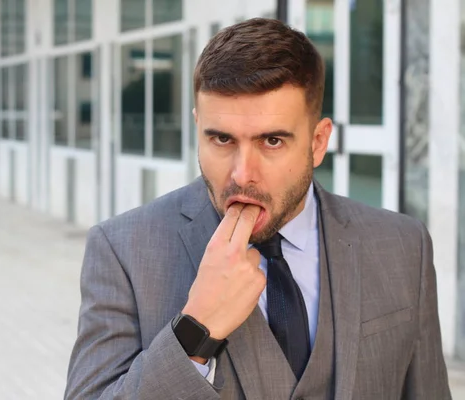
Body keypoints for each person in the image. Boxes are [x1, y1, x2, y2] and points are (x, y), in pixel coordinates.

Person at [64, 18, 451, 399]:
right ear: (198, 128)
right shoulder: (122, 250)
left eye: (272, 141)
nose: (242, 173)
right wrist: (196, 330)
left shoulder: (403, 246)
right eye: (221, 139)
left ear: (318, 142)